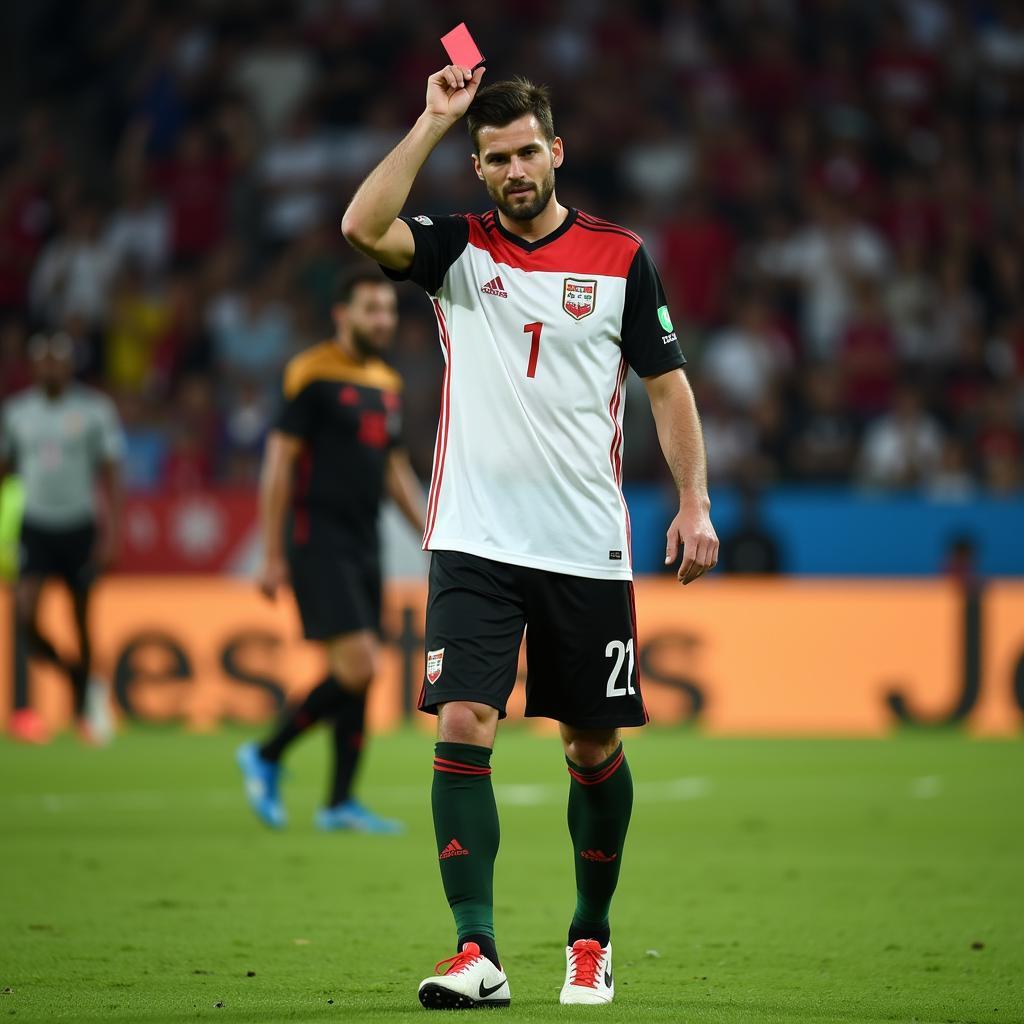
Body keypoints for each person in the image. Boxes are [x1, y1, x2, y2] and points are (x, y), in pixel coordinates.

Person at [342, 65, 718, 1008]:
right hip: (472, 539)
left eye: (527, 153)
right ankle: (477, 952)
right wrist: (431, 120)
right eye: (496, 158)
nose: (515, 171)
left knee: (590, 747)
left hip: (583, 546)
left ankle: (589, 939)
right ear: (478, 168)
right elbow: (360, 226)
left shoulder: (621, 256)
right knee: (464, 721)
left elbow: (666, 387)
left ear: (558, 152)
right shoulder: (455, 252)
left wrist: (694, 502)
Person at [237, 269, 425, 833]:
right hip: (316, 539)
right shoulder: (311, 372)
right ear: (341, 315)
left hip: (366, 540)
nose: (383, 321)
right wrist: (271, 554)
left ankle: (339, 802)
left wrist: (430, 529)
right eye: (371, 309)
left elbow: (394, 468)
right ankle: (266, 754)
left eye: (388, 310)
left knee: (360, 673)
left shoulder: (387, 382)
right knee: (360, 663)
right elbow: (279, 464)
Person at [0, 331, 124, 744]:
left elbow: (111, 475)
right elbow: (6, 470)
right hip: (35, 525)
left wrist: (113, 534)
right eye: (44, 360)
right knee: (24, 614)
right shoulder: (17, 413)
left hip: (79, 525)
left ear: (70, 366)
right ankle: (76, 680)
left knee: (80, 618)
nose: (52, 367)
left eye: (59, 360)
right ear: (34, 366)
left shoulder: (93, 411)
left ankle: (83, 711)